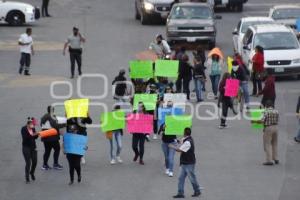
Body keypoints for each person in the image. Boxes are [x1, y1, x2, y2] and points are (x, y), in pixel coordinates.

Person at [170, 128, 201, 198]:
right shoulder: (188, 139)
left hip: (189, 163)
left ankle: (197, 190)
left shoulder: (188, 142)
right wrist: (179, 141)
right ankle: (180, 193)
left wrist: (172, 146)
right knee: (181, 178)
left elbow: (180, 150)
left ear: (184, 133)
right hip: (185, 163)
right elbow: (181, 144)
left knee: (192, 178)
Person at [253, 100, 279, 165]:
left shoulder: (266, 112)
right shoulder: (276, 111)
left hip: (268, 128)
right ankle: (276, 158)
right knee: (274, 143)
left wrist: (255, 121)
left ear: (266, 106)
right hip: (276, 127)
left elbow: (262, 120)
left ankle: (269, 160)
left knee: (267, 144)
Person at [40, 106, 66, 170]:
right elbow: (54, 125)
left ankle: (44, 165)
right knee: (57, 149)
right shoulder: (51, 116)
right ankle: (55, 164)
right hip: (51, 136)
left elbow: (41, 125)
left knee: (47, 151)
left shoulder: (44, 116)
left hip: (45, 135)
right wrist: (64, 124)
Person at [21, 117, 39, 183]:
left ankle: (32, 172)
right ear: (28, 124)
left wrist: (37, 135)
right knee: (28, 163)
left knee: (35, 161)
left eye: (33, 125)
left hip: (33, 147)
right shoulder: (23, 129)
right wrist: (33, 134)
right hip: (26, 147)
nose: (33, 126)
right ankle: (27, 177)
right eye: (32, 124)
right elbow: (25, 138)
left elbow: (35, 137)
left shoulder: (33, 128)